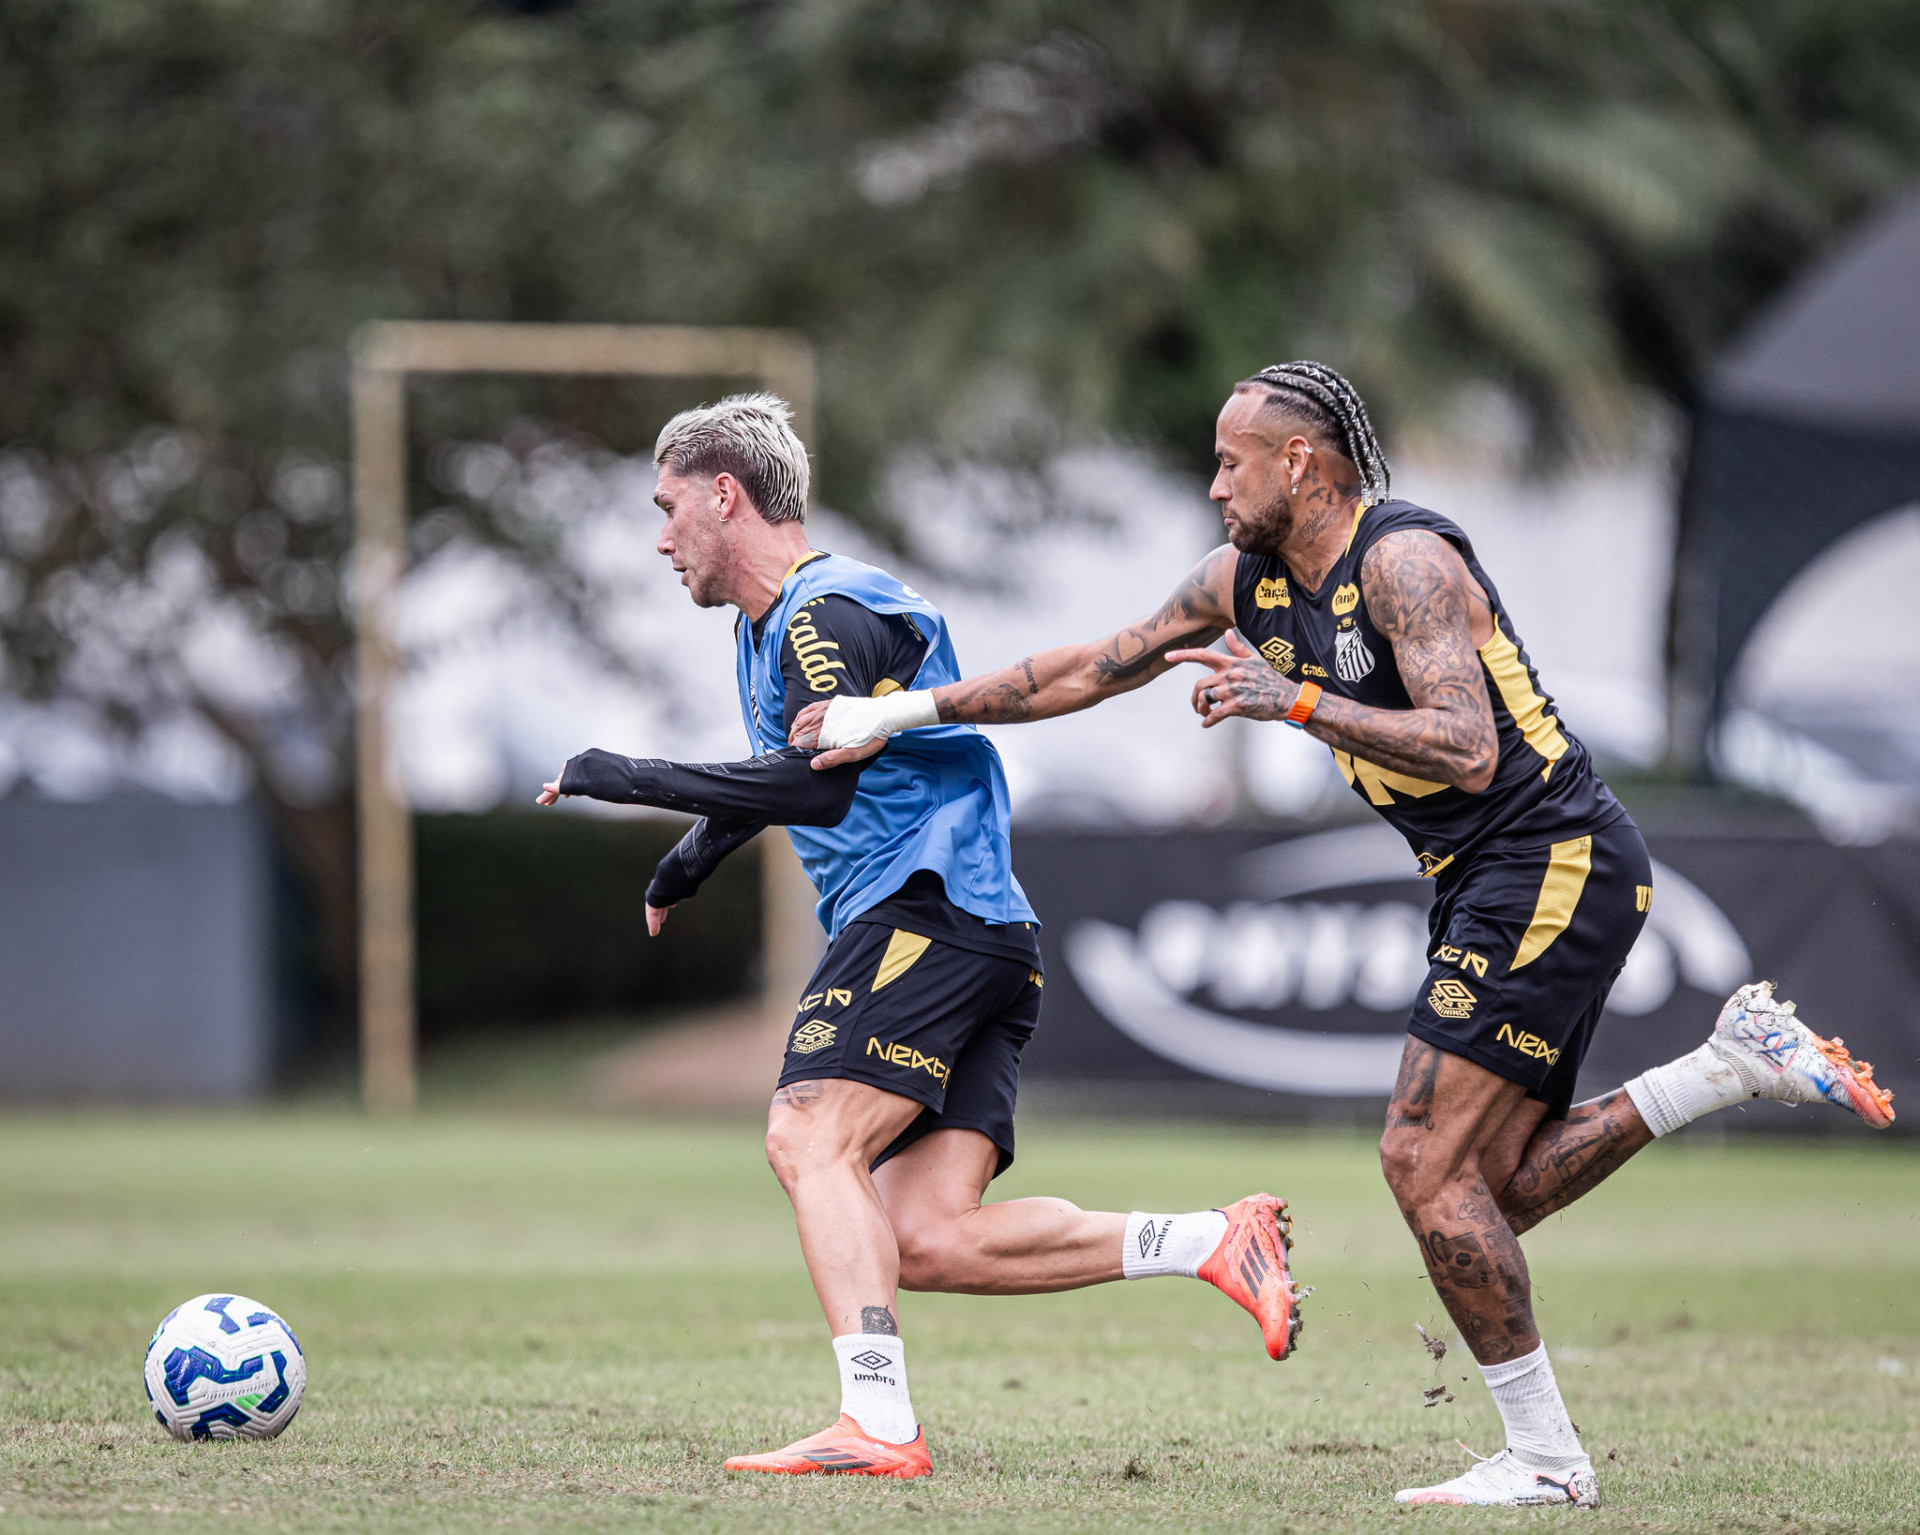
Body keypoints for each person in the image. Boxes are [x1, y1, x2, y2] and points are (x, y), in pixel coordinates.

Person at [791, 362, 1896, 1507]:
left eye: (1231, 462)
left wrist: (1297, 701)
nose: (1216, 486)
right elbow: (1089, 665)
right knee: (1486, 1190)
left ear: (1299, 462)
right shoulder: (1244, 578)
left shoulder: (1403, 560)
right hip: (1488, 877)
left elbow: (1468, 747)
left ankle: (1548, 1460)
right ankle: (1723, 1068)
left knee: (1420, 1160)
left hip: (1550, 858)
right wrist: (896, 711)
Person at [536, 393, 1304, 1482]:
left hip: (925, 909)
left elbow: (816, 785)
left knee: (808, 1135)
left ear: (726, 495)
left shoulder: (824, 609)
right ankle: (1212, 1239)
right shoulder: (772, 628)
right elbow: (797, 767)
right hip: (980, 930)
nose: (661, 539)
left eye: (668, 508)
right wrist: (690, 860)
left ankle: (877, 1422)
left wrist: (630, 775)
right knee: (927, 1235)